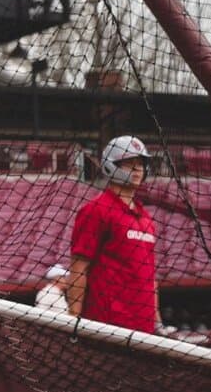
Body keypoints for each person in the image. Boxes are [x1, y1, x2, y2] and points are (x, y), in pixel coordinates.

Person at [64, 135, 161, 334]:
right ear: (111, 165)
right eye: (129, 164)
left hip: (144, 328)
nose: (137, 169)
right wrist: (73, 318)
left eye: (140, 164)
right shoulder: (96, 210)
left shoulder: (145, 218)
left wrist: (157, 322)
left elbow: (151, 278)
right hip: (108, 326)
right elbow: (79, 268)